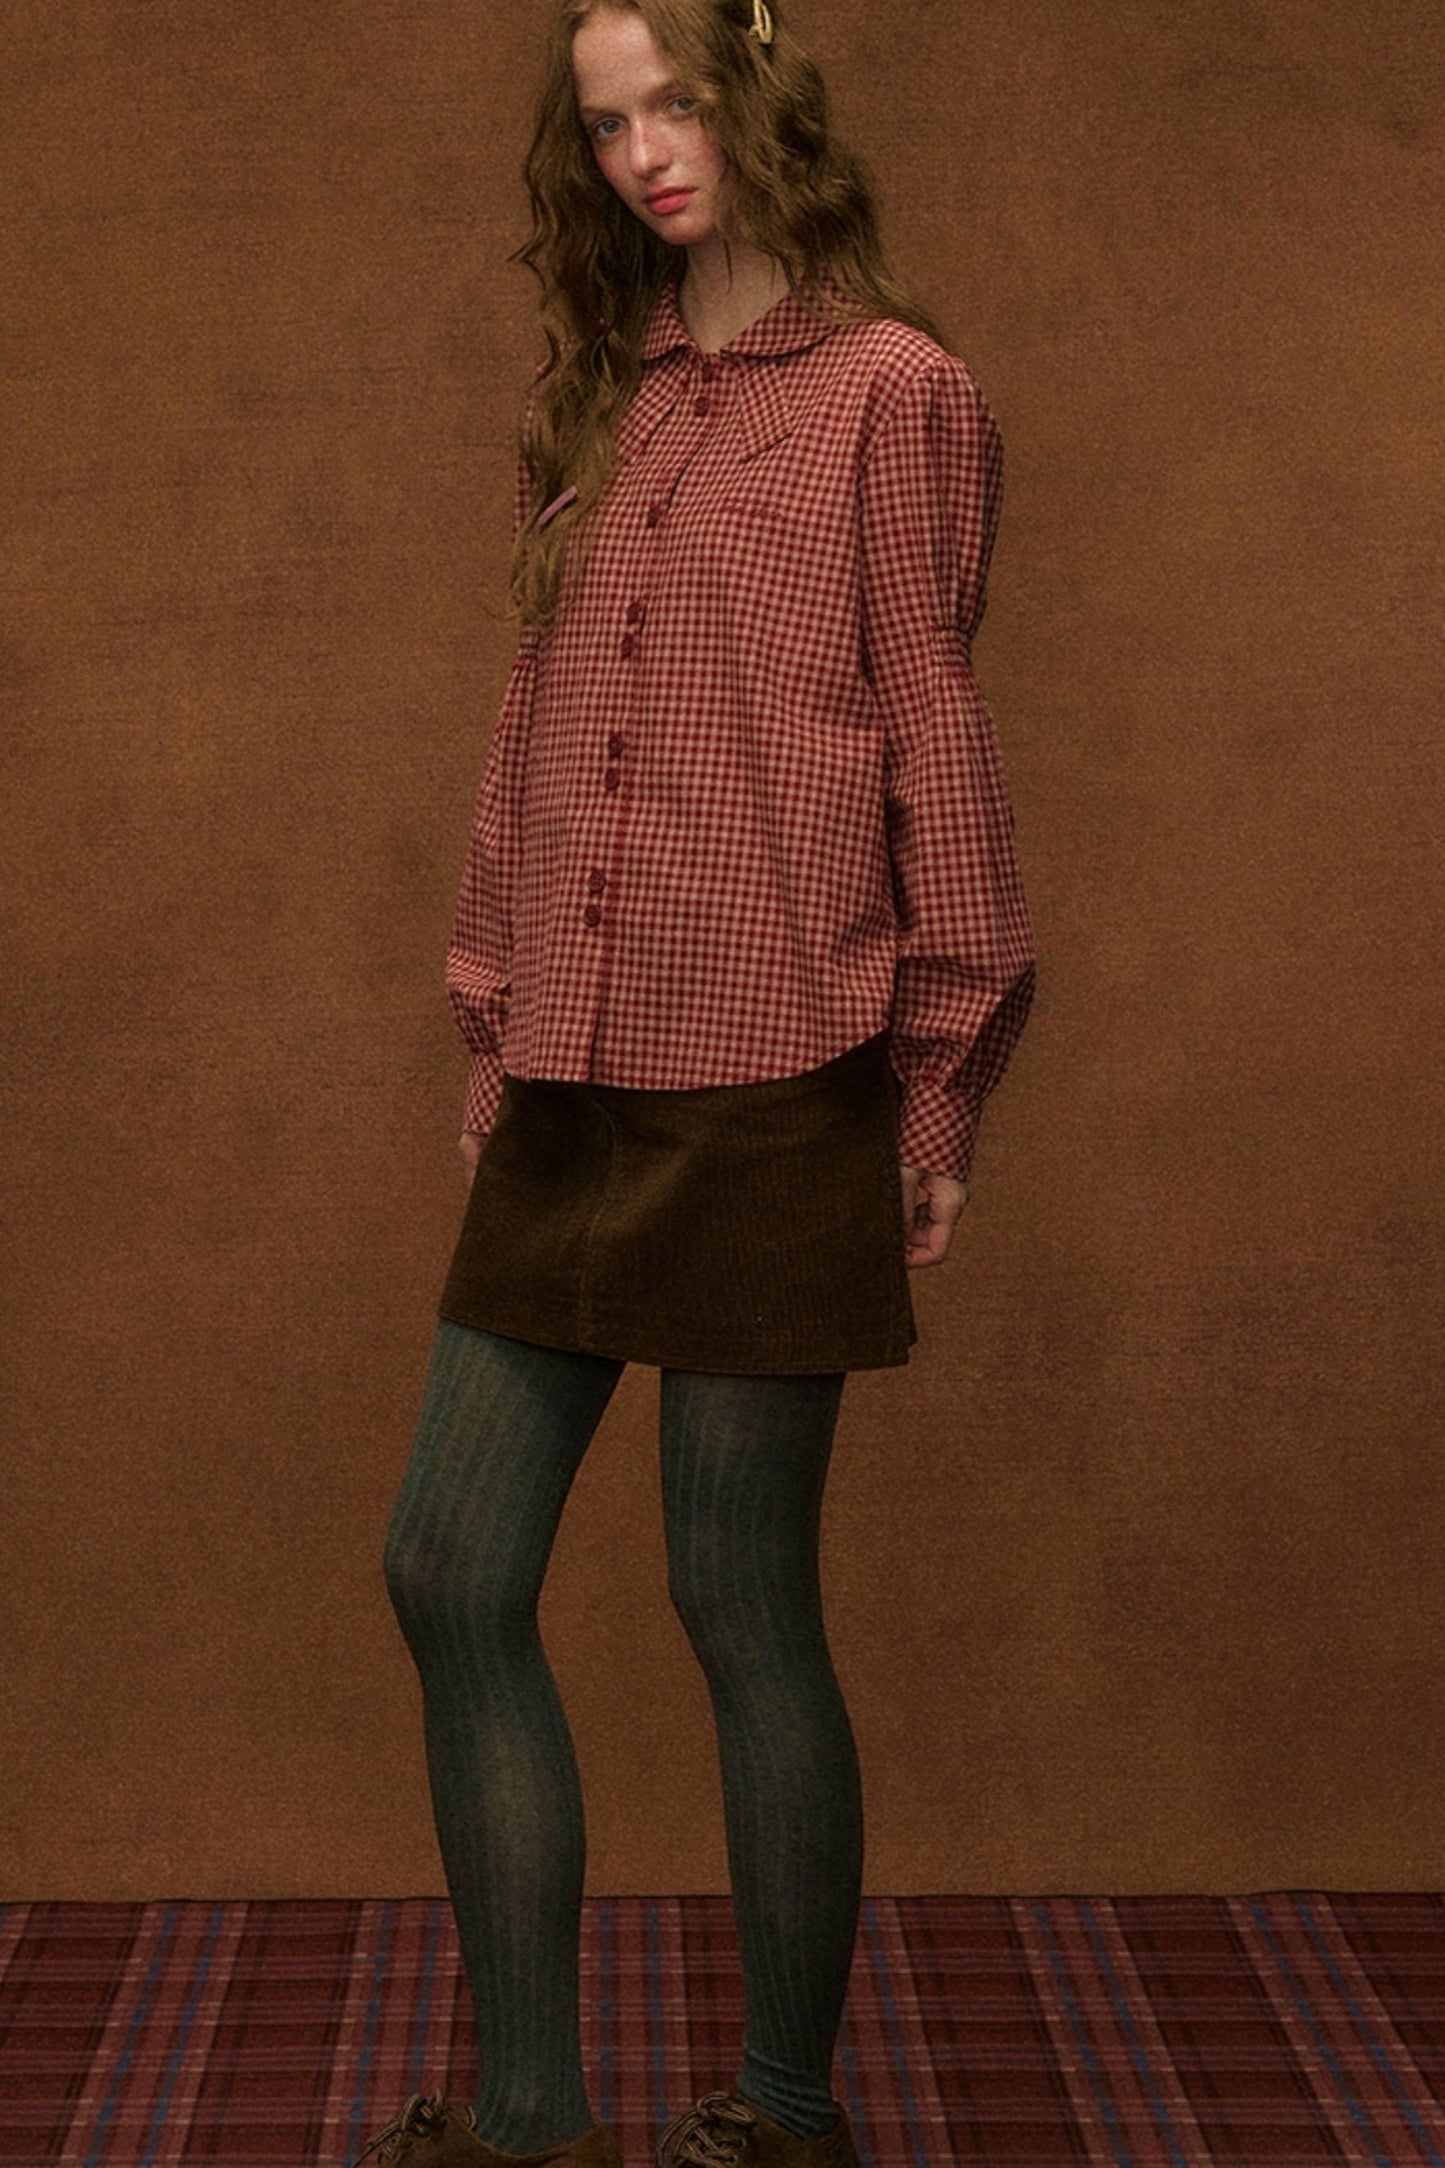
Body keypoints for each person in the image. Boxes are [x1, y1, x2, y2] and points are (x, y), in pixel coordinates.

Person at [358, 0, 1034, 2164]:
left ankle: (782, 2113)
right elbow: (532, 732)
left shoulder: (897, 395)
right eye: (606, 123)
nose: (647, 152)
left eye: (678, 104)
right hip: (572, 1064)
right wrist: (493, 1013)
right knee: (450, 1568)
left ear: (764, 101)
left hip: (780, 1062)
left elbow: (935, 734)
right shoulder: (601, 396)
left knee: (738, 1603)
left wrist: (940, 1076)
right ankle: (532, 2121)